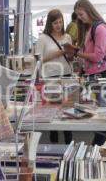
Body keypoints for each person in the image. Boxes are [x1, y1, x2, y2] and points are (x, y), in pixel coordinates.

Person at [63, 0, 106, 145]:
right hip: (92, 75)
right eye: (77, 14)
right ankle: (97, 146)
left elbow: (98, 56)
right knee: (94, 112)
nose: (79, 17)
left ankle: (98, 146)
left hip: (100, 75)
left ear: (89, 11)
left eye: (81, 13)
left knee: (101, 116)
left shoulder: (100, 29)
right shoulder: (90, 28)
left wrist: (76, 52)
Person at [34, 9, 73, 144]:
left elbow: (69, 58)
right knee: (52, 112)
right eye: (55, 22)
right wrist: (59, 52)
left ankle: (69, 145)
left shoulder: (67, 37)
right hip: (51, 78)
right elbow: (38, 59)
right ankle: (54, 145)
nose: (59, 25)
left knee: (68, 112)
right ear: (49, 23)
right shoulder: (43, 38)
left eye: (61, 22)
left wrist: (72, 53)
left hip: (66, 75)